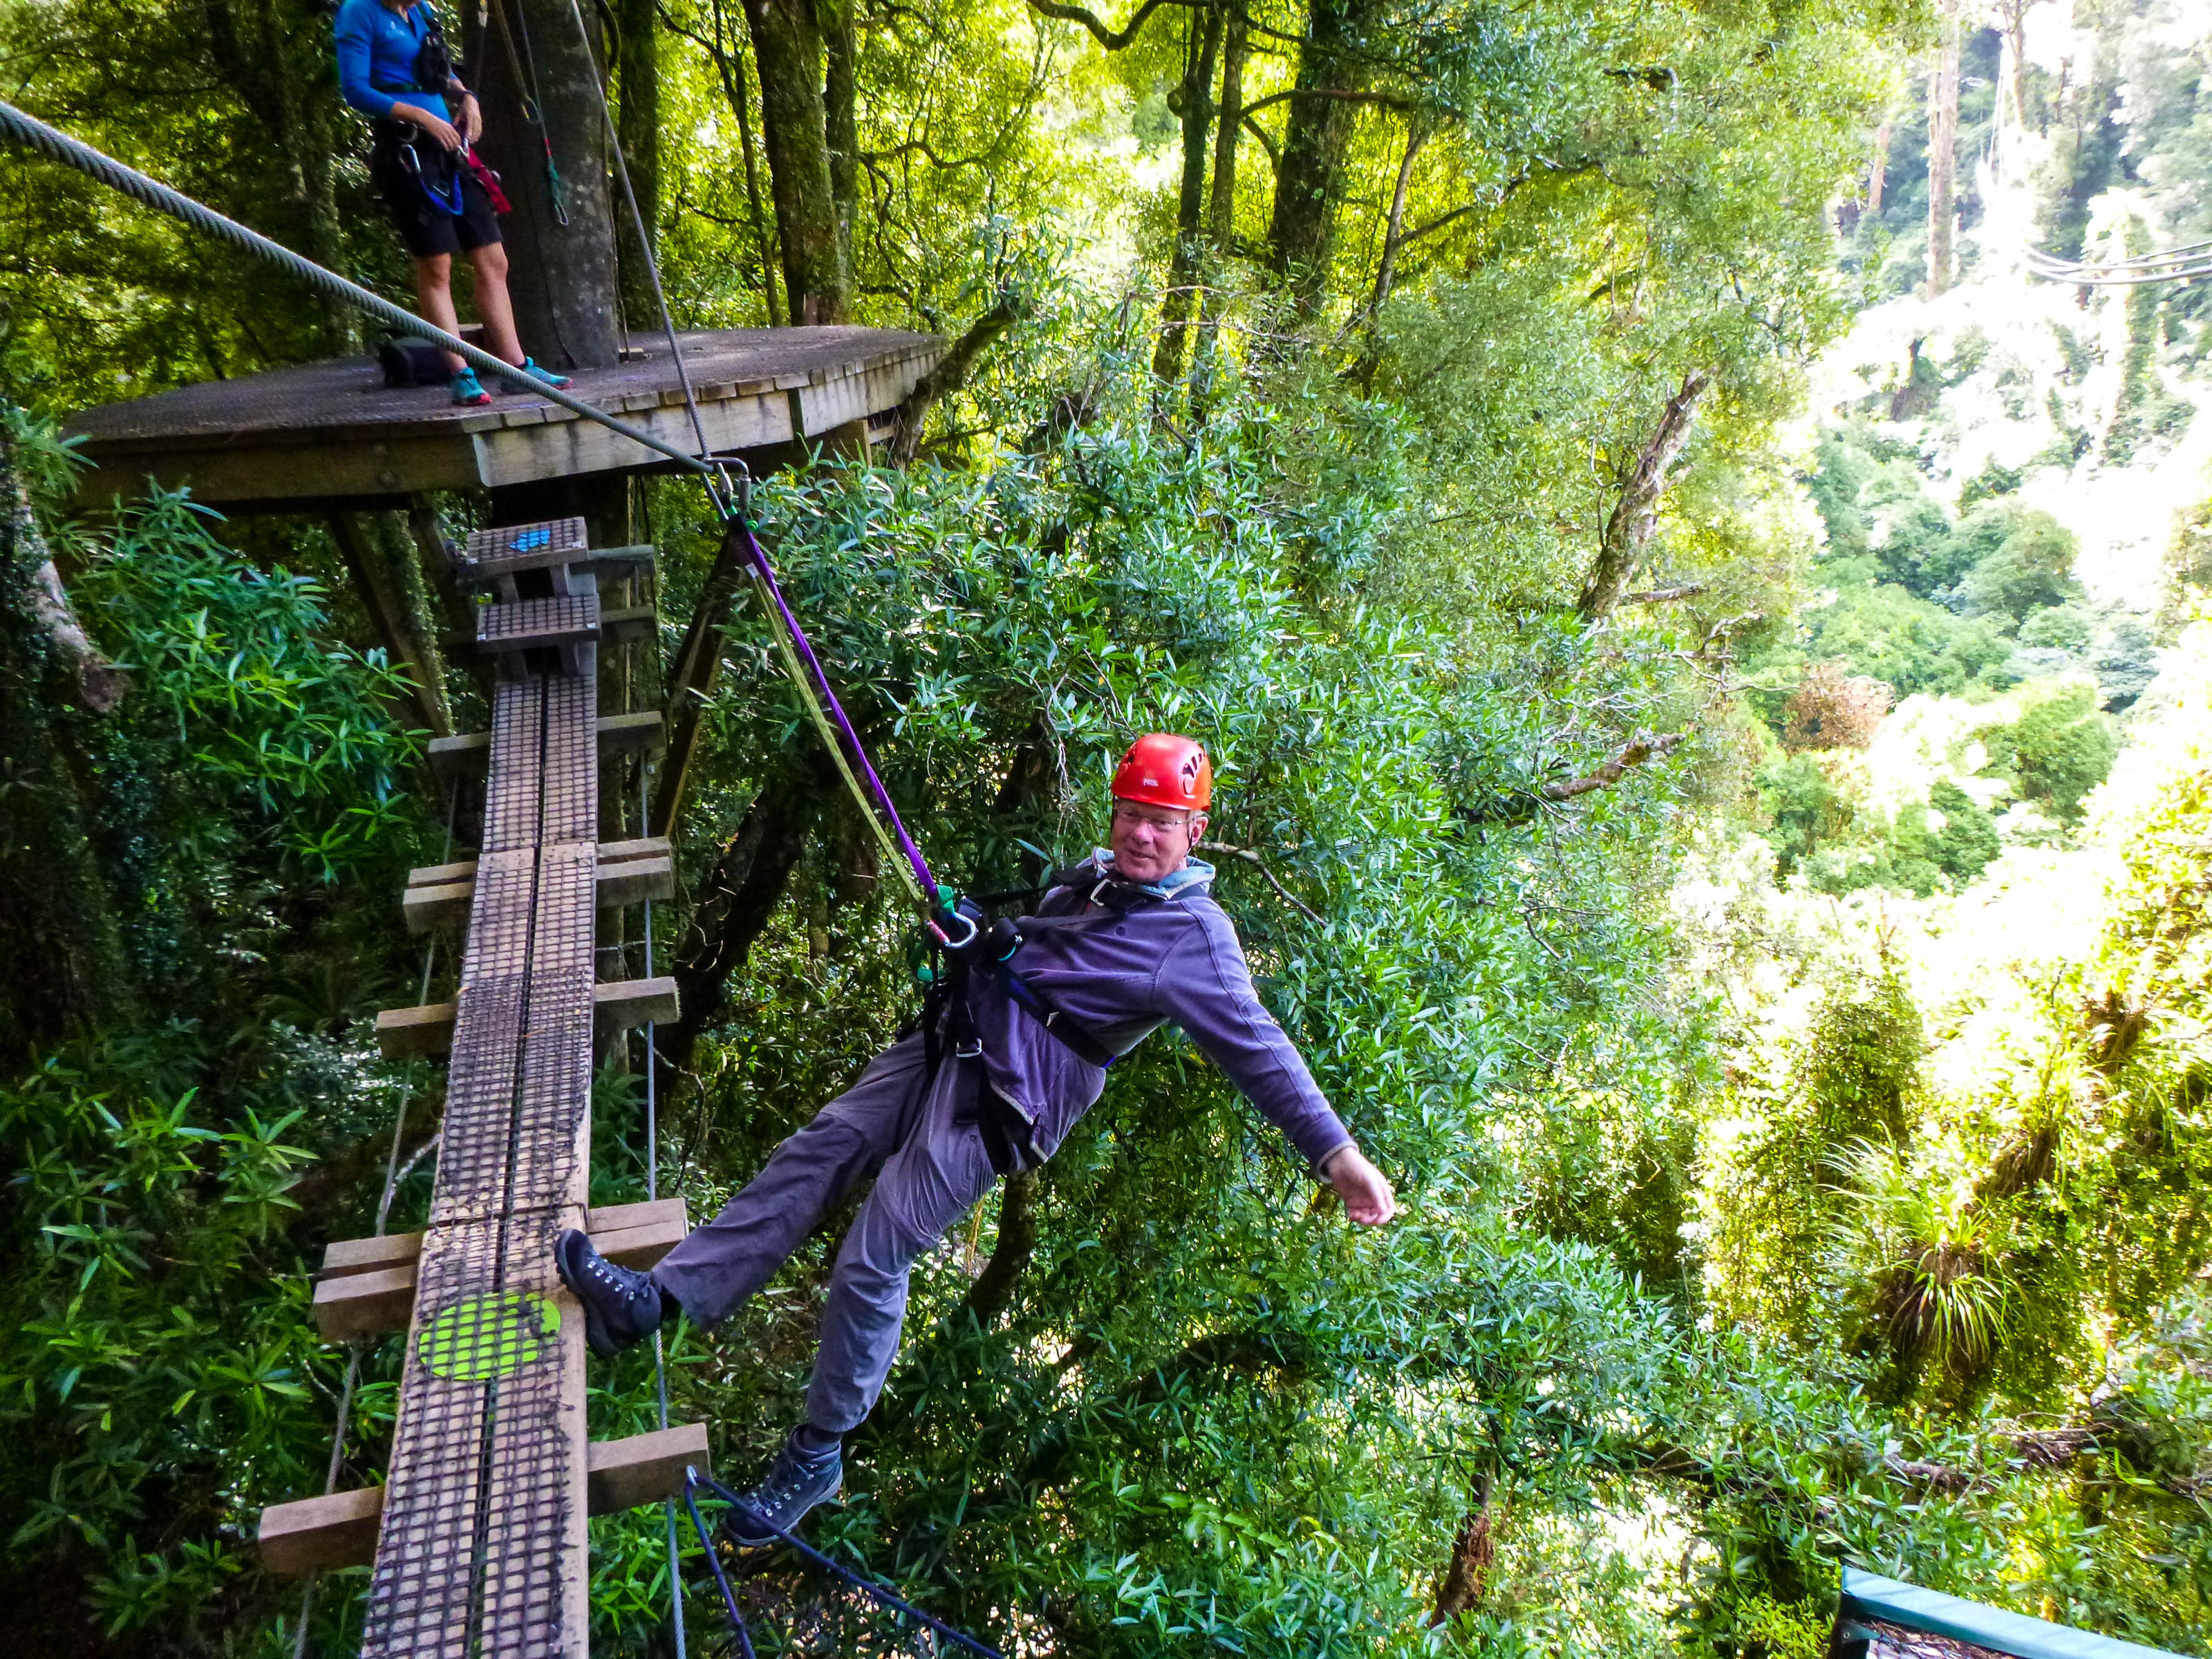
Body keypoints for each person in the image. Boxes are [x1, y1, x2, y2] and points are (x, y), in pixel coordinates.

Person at [555, 733, 1398, 1546]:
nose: (1141, 833)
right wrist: (977, 939)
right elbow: (1039, 955)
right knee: (814, 1154)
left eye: (1162, 821)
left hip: (1002, 1101)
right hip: (952, 1044)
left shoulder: (1194, 940)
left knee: (873, 1252)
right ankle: (650, 1305)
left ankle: (816, 1454)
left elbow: (1259, 1049)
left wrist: (1336, 1155)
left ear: (1194, 832)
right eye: (1130, 813)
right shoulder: (1093, 882)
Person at [333, 0, 574, 406]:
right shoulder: (360, 12)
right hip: (406, 152)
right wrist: (423, 118)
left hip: (450, 151)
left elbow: (438, 69)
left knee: (493, 258)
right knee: (437, 266)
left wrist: (468, 98)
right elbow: (355, 89)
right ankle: (460, 373)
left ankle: (517, 367)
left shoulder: (422, 12)